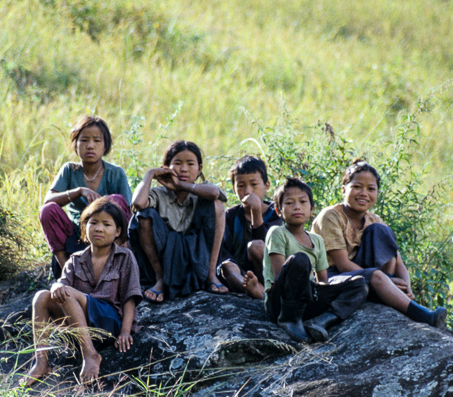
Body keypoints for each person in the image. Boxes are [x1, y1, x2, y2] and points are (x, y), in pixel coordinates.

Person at [311, 159, 447, 328]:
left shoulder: (374, 219)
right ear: (343, 189)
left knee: (380, 231)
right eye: (357, 187)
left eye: (371, 189)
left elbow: (398, 263)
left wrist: (407, 289)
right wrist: (381, 279)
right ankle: (425, 317)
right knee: (376, 275)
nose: (363, 193)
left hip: (369, 277)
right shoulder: (330, 216)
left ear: (377, 193)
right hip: (334, 279)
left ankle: (387, 291)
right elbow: (343, 265)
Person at [24, 198, 142, 386]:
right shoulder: (76, 259)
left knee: (68, 293)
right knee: (42, 296)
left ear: (117, 231)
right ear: (84, 228)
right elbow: (61, 285)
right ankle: (41, 361)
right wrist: (55, 287)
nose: (99, 229)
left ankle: (91, 355)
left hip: (109, 323)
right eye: (93, 223)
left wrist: (126, 332)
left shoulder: (124, 256)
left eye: (106, 224)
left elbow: (130, 297)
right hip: (81, 326)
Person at [263, 177, 369, 342]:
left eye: (303, 202)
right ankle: (289, 319)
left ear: (312, 209)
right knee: (300, 259)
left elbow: (322, 281)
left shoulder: (316, 240)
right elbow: (279, 277)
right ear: (278, 210)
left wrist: (324, 294)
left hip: (306, 300)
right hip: (282, 301)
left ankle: (322, 320)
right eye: (289, 203)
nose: (297, 207)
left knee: (359, 283)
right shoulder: (277, 233)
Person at [129, 140, 227, 302]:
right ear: (166, 167)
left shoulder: (203, 190)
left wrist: (182, 185)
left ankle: (211, 275)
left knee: (216, 206)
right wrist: (151, 174)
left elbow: (215, 194)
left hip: (196, 251)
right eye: (177, 163)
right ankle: (160, 278)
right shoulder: (159, 193)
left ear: (199, 169)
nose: (183, 169)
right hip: (165, 253)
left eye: (190, 164)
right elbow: (138, 203)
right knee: (143, 216)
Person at [39, 115, 132, 277]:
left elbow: (128, 211)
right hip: (76, 234)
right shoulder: (69, 170)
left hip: (105, 234)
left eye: (97, 140)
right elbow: (48, 200)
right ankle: (67, 270)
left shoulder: (116, 173)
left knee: (117, 200)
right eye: (84, 140)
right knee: (48, 210)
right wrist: (78, 191)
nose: (90, 146)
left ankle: (111, 262)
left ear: (105, 146)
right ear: (75, 145)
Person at [218, 155, 282, 299]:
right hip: (243, 274)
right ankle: (257, 292)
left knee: (257, 246)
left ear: (266, 185)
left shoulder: (276, 213)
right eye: (241, 186)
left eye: (254, 185)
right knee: (227, 266)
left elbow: (271, 246)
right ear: (234, 189)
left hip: (270, 270)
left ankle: (270, 291)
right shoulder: (230, 216)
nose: (248, 191)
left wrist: (256, 213)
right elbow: (224, 251)